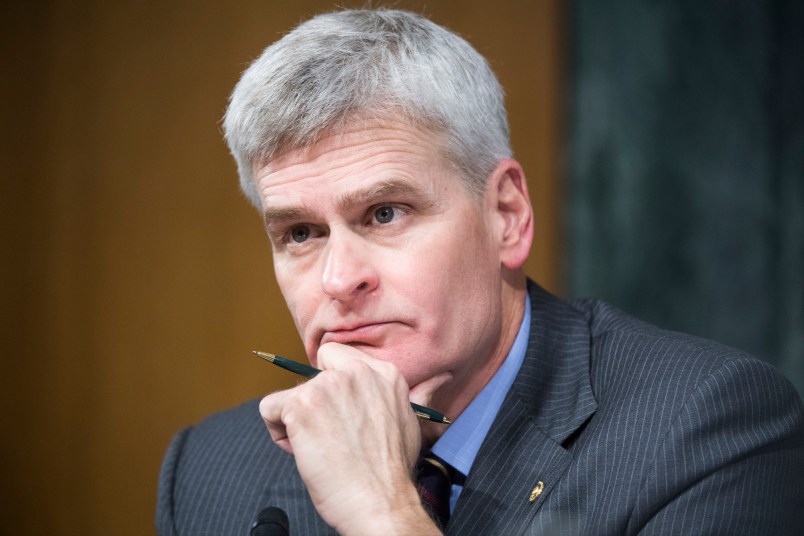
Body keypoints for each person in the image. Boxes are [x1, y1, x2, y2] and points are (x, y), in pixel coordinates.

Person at [156, 8, 804, 535]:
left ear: (507, 216)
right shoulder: (211, 471)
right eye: (300, 232)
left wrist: (385, 513)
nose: (336, 280)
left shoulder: (708, 433)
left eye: (385, 213)